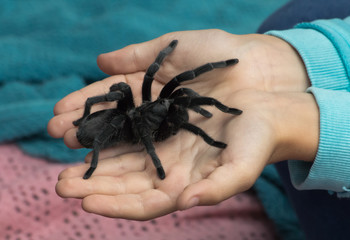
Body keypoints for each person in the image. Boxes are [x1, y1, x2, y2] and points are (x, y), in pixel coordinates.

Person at [47, 2, 350, 239]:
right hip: (116, 125)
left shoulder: (168, 114)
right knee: (294, 16)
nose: (170, 102)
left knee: (172, 88)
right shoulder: (151, 117)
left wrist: (309, 125)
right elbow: (143, 86)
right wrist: (273, 61)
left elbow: (184, 107)